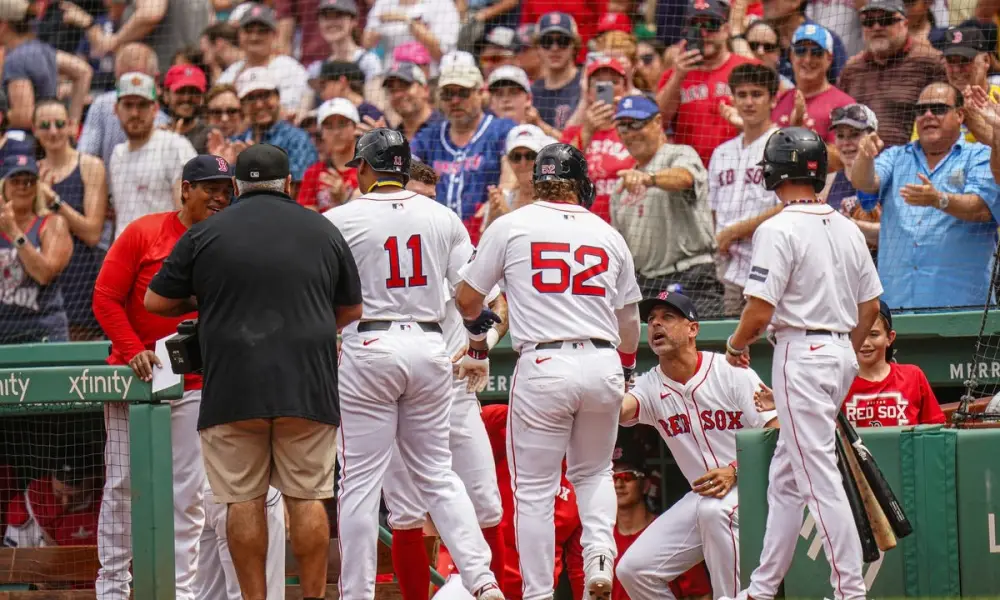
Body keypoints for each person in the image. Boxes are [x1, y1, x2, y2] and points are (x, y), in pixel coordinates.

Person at [144, 144, 362, 600]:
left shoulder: (206, 233)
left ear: (238, 187)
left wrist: (209, 301)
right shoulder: (322, 228)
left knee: (242, 499)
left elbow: (155, 301)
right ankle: (314, 597)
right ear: (289, 184)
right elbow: (350, 309)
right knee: (307, 496)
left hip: (232, 388)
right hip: (307, 385)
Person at [456, 143, 643, 600]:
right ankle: (600, 553)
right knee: (595, 472)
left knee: (535, 492)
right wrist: (628, 369)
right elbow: (631, 323)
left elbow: (467, 298)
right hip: (602, 361)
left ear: (537, 181)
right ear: (581, 185)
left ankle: (539, 593)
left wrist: (478, 346)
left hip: (543, 362)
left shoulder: (512, 224)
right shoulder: (607, 232)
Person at [323, 128, 503, 600]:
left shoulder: (339, 218)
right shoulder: (442, 216)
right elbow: (473, 297)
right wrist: (480, 345)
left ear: (364, 167)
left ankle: (356, 594)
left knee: (360, 484)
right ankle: (483, 581)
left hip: (369, 344)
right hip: (429, 347)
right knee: (439, 475)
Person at [719, 127, 882, 600]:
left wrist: (734, 344)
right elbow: (869, 306)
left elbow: (759, 310)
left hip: (801, 355)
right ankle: (762, 589)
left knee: (815, 476)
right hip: (836, 354)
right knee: (787, 478)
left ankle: (850, 591)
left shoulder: (778, 227)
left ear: (775, 171)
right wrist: (845, 354)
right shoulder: (846, 225)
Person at [92, 155, 231, 600]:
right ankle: (113, 588)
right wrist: (134, 351)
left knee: (186, 496)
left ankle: (179, 591)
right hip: (133, 381)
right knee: (121, 486)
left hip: (194, 382)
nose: (220, 196)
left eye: (226, 189)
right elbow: (105, 298)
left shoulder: (226, 241)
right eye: (210, 187)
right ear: (185, 189)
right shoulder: (143, 231)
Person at [383, 163, 510, 600]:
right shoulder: (377, 249)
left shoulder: (455, 241)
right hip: (398, 395)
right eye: (414, 195)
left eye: (429, 197)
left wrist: (484, 345)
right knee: (405, 513)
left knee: (489, 504)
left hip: (455, 392)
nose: (421, 206)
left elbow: (499, 307)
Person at [616, 291, 778, 600]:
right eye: (651, 320)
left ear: (693, 329)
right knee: (634, 570)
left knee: (715, 511)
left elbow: (776, 428)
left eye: (668, 317)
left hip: (758, 486)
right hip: (705, 497)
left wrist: (735, 471)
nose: (656, 325)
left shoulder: (730, 372)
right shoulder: (650, 384)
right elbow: (620, 410)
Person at [849, 82, 1000, 310]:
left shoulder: (980, 155)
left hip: (965, 309)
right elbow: (866, 183)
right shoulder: (896, 156)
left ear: (960, 115)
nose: (928, 115)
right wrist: (864, 156)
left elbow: (981, 209)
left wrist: (939, 199)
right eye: (922, 110)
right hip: (898, 308)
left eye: (938, 109)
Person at [480, 403, 585, 600]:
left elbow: (579, 564)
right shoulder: (509, 448)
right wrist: (531, 410)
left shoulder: (580, 480)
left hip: (537, 594)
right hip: (483, 587)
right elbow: (480, 419)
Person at [709, 64, 781, 317]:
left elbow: (791, 205)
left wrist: (736, 230)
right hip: (728, 269)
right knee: (730, 341)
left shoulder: (781, 144)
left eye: (756, 94)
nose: (748, 102)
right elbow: (713, 211)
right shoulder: (721, 153)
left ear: (773, 99)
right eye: (742, 95)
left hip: (770, 265)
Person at [34, 98, 109, 341]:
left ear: (71, 126)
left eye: (59, 123)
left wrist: (54, 201)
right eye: (45, 125)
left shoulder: (90, 166)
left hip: (80, 277)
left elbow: (92, 233)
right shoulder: (29, 173)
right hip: (40, 280)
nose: (53, 131)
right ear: (34, 130)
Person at [610, 435, 713, 600]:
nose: (618, 484)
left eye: (627, 476)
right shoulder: (599, 538)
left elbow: (701, 595)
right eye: (612, 478)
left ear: (646, 485)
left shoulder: (671, 534)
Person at [0, 154, 72, 344]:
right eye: (15, 181)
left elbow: (44, 274)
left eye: (30, 181)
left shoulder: (53, 224)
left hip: (44, 331)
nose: (23, 187)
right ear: (4, 187)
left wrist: (14, 232)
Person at [842, 300, 946, 427]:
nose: (865, 343)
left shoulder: (913, 377)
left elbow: (935, 430)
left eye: (874, 334)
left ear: (890, 338)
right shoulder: (840, 383)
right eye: (858, 334)